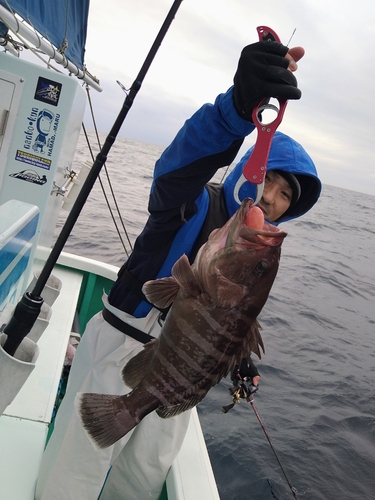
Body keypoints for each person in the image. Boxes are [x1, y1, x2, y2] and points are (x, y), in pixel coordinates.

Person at [35, 40, 321, 500]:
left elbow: (232, 318)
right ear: (248, 164)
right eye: (268, 177)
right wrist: (235, 109)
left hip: (183, 377)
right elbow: (176, 166)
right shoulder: (186, 200)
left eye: (285, 194)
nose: (270, 197)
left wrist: (240, 360)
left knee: (144, 478)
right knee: (75, 472)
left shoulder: (257, 251)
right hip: (124, 346)